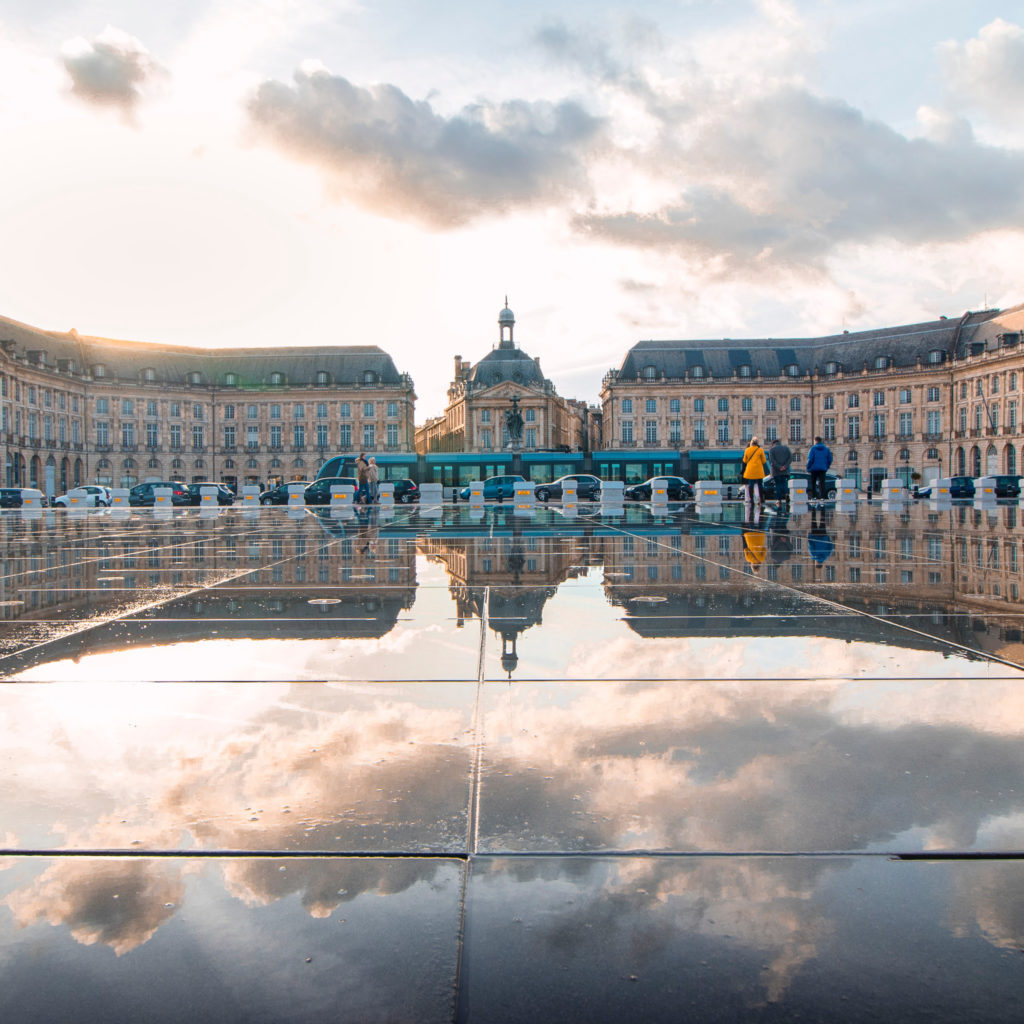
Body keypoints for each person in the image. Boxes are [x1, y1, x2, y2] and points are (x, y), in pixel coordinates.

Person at [741, 436, 769, 505]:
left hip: (750, 470)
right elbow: (764, 460)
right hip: (759, 470)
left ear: (751, 443)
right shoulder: (760, 450)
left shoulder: (747, 450)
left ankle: (751, 499)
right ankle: (761, 498)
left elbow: (745, 460)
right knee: (760, 485)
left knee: (751, 485)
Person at [806, 436, 833, 503]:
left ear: (815, 441)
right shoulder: (826, 449)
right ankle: (822, 497)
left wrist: (808, 467)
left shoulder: (813, 449)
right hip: (823, 469)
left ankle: (814, 497)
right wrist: (827, 466)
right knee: (822, 483)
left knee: (813, 483)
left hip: (814, 469)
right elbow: (830, 459)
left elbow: (810, 459)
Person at [768, 438, 792, 508]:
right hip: (785, 470)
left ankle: (779, 499)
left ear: (773, 444)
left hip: (776, 470)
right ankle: (787, 494)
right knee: (784, 483)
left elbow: (772, 461)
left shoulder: (772, 450)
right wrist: (785, 466)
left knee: (778, 485)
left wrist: (779, 467)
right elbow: (790, 458)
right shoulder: (786, 448)